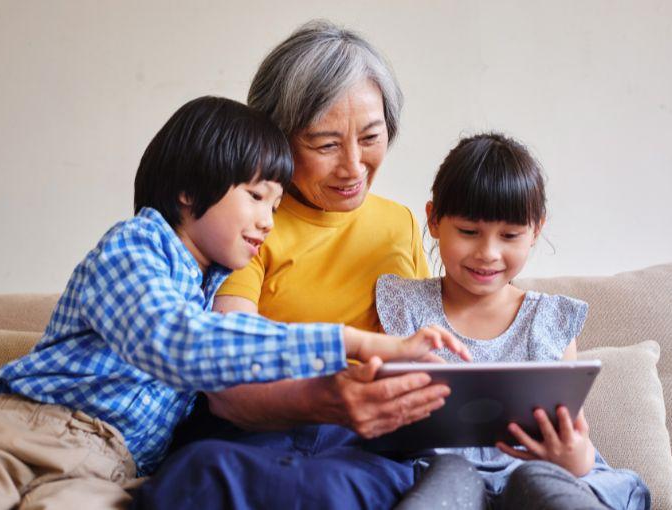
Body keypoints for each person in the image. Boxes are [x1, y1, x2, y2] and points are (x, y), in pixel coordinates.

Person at [0, 96, 468, 510]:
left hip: (107, 471)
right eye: (256, 197)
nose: (266, 222)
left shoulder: (215, 288)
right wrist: (358, 341)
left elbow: (240, 383)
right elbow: (181, 345)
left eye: (276, 207)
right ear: (188, 190)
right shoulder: (136, 245)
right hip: (17, 430)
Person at [132, 21, 463, 509]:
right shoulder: (247, 226)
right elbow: (226, 377)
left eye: (371, 136)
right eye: (326, 145)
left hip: (369, 446)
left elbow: (427, 351)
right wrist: (328, 400)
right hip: (259, 434)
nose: (353, 166)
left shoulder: (400, 223)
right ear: (276, 139)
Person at [375, 133, 652, 510]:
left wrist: (573, 457)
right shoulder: (403, 306)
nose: (487, 253)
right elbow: (380, 415)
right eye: (469, 232)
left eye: (509, 236)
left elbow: (579, 447)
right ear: (434, 220)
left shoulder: (549, 321)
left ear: (535, 230)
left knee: (534, 479)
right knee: (450, 473)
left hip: (537, 473)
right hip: (441, 473)